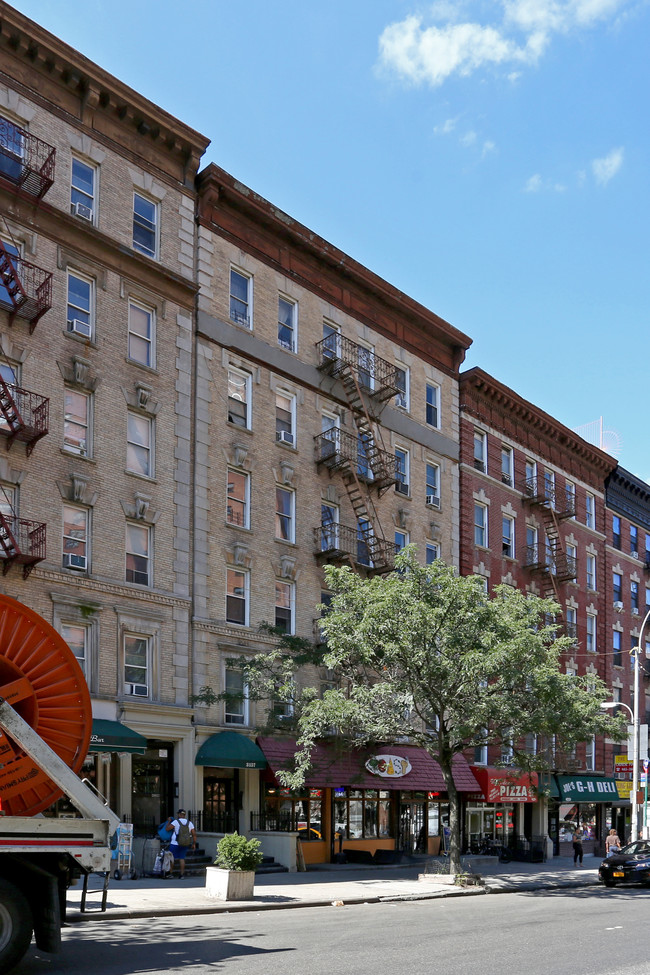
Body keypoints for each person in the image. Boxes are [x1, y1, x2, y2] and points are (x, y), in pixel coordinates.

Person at [165, 809, 197, 878]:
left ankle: (170, 873)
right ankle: (182, 874)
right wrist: (194, 843)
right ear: (184, 815)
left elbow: (167, 829)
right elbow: (194, 834)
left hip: (175, 843)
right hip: (185, 843)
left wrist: (169, 821)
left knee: (171, 858)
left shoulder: (176, 822)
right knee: (182, 859)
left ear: (179, 814)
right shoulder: (189, 823)